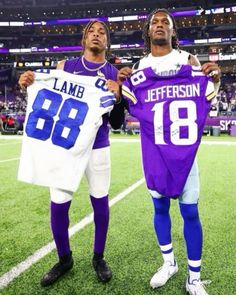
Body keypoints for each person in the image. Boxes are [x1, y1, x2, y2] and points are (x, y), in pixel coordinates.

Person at [117, 8, 221, 295]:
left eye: (166, 23)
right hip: (154, 152)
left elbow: (207, 92)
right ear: (149, 31)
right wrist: (123, 83)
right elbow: (125, 103)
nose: (160, 26)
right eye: (155, 23)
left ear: (174, 32)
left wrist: (214, 76)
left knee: (190, 212)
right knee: (159, 208)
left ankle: (194, 277)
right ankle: (169, 263)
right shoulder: (139, 69)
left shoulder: (188, 61)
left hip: (184, 156)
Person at [18, 20, 123, 287]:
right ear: (84, 39)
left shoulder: (114, 74)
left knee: (100, 201)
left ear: (107, 42)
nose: (97, 35)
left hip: (98, 146)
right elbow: (45, 95)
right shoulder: (64, 67)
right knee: (59, 202)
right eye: (91, 31)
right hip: (66, 147)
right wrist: (28, 82)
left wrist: (119, 96)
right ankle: (64, 258)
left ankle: (98, 257)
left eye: (102, 32)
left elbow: (117, 123)